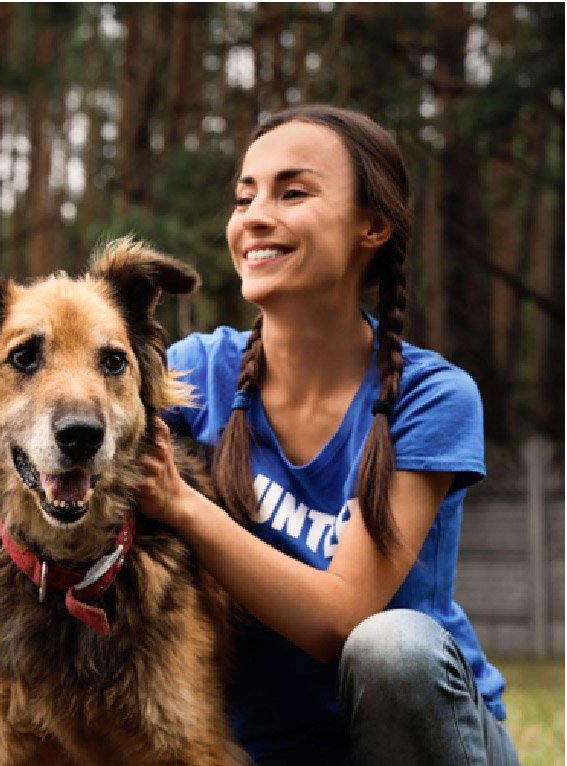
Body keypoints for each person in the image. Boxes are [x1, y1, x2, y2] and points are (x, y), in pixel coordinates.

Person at [136, 104, 520, 765]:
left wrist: (181, 505)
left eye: (292, 191)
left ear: (371, 226)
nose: (254, 216)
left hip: (412, 744)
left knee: (391, 647)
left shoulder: (430, 397)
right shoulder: (192, 374)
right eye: (243, 195)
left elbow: (339, 619)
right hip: (247, 750)